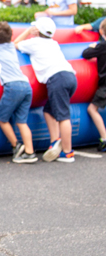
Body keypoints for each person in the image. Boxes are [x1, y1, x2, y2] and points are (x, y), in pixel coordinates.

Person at [14, 17, 77, 162]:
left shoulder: (34, 42)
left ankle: (67, 152)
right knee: (48, 111)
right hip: (70, 77)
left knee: (63, 116)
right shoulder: (53, 43)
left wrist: (28, 31)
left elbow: (15, 44)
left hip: (57, 79)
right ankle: (55, 142)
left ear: (37, 30)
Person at [0, 22, 37, 163]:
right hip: (26, 85)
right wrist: (28, 30)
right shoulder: (11, 46)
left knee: (1, 117)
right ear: (10, 35)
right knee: (21, 121)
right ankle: (30, 152)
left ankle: (16, 145)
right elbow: (18, 40)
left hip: (13, 86)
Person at [81, 18, 106, 151]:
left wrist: (92, 46)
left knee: (92, 109)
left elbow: (86, 54)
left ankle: (104, 138)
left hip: (104, 87)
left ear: (101, 32)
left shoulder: (102, 46)